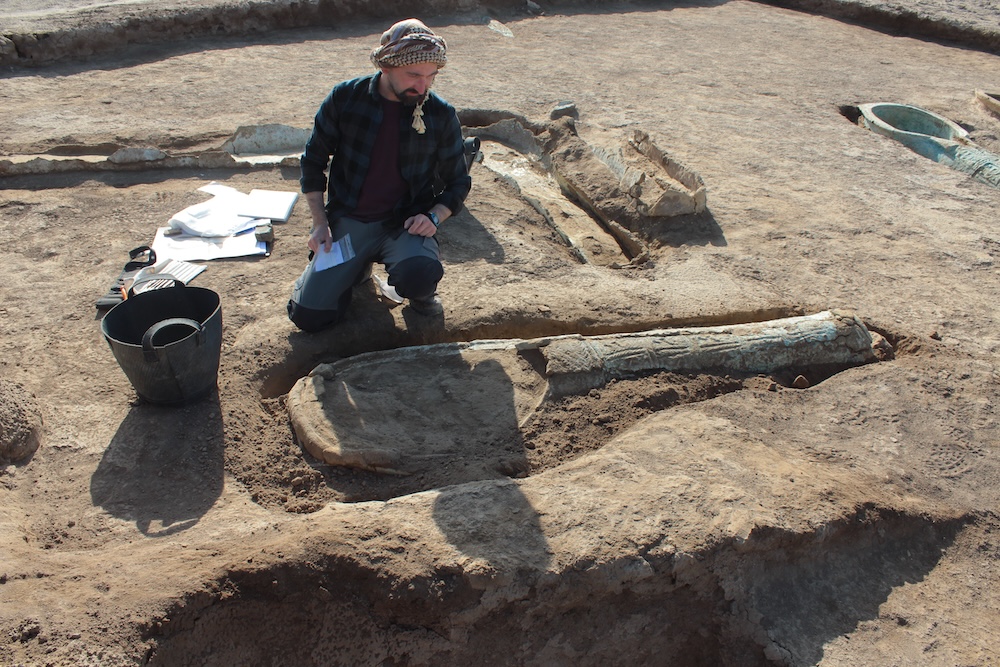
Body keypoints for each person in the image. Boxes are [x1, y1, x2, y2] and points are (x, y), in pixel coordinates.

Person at [287, 18, 472, 332]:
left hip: (404, 224)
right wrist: (320, 223)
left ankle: (421, 295)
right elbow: (313, 161)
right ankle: (352, 271)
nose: (422, 86)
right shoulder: (346, 98)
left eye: (431, 76)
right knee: (309, 317)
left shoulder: (439, 113)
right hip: (350, 221)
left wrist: (434, 216)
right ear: (386, 67)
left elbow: (459, 181)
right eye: (413, 75)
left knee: (419, 274)